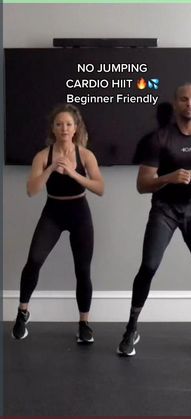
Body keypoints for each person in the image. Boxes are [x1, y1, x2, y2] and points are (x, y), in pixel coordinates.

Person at [117, 83, 191, 357]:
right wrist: (169, 177)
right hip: (164, 209)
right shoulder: (159, 139)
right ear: (176, 103)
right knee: (149, 265)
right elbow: (142, 185)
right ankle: (131, 329)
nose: (189, 104)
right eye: (184, 99)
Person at [12, 103, 104, 342]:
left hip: (79, 212)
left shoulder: (85, 155)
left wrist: (74, 173)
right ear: (53, 128)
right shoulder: (43, 156)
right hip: (53, 211)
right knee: (33, 261)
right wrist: (52, 167)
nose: (64, 128)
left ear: (76, 128)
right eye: (59, 124)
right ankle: (22, 313)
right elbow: (31, 191)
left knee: (82, 270)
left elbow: (100, 188)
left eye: (69, 124)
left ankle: (84, 322)